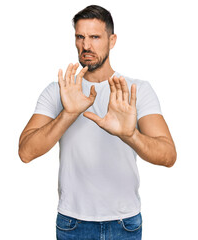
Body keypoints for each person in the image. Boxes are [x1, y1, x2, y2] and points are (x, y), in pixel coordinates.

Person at [18, 5, 177, 240]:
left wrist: (129, 135)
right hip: (72, 222)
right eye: (80, 37)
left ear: (112, 40)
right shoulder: (59, 91)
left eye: (95, 37)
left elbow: (168, 156)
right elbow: (25, 152)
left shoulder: (136, 91)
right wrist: (68, 114)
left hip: (125, 223)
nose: (86, 45)